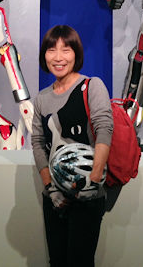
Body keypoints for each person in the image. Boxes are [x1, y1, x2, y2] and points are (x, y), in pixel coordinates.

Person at [31, 25, 113, 267]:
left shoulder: (92, 86)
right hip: (55, 198)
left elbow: (104, 129)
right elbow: (38, 143)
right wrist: (51, 189)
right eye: (51, 50)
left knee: (80, 262)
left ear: (76, 54)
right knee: (57, 261)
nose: (58, 57)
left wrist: (93, 181)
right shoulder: (41, 98)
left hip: (87, 196)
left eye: (66, 50)